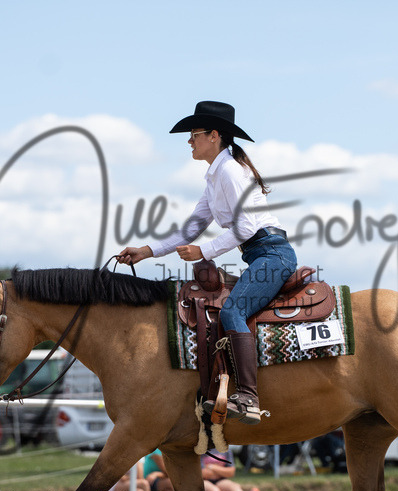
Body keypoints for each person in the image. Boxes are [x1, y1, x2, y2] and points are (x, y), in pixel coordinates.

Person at [117, 101, 297, 425]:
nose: (189, 141)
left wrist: (205, 252)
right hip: (260, 253)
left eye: (194, 134)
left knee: (232, 310)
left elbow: (245, 228)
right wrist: (147, 250)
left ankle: (249, 397)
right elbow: (191, 227)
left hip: (271, 254)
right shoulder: (216, 176)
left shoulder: (228, 172)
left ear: (214, 136)